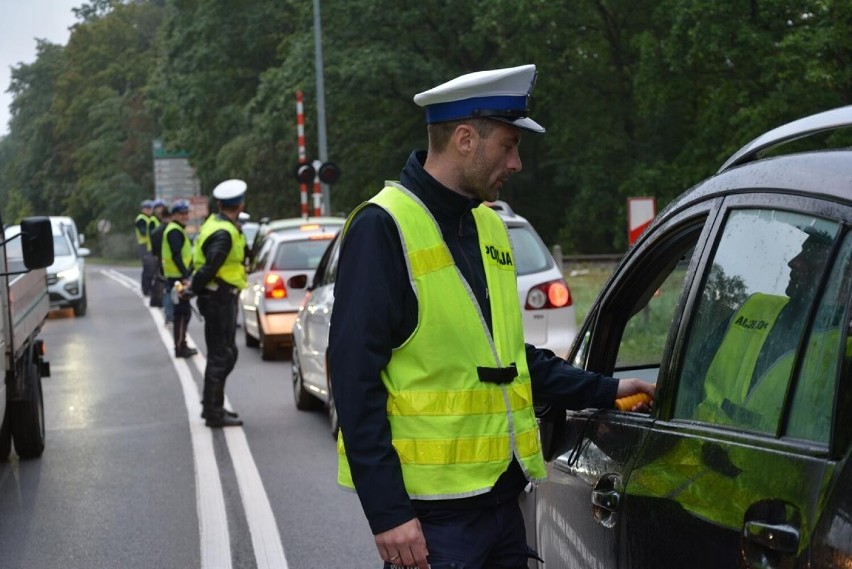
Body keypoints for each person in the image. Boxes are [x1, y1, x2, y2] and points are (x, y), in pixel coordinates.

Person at [328, 64, 655, 569]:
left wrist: (604, 389)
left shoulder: (488, 227)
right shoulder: (383, 226)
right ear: (464, 139)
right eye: (508, 145)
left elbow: (505, 360)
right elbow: (353, 380)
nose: (517, 162)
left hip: (503, 502)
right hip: (433, 520)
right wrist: (388, 513)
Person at [188, 179, 249, 428]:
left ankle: (213, 405)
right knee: (221, 355)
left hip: (220, 297)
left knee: (226, 353)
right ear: (240, 204)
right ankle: (212, 412)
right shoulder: (223, 233)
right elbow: (211, 266)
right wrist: (192, 288)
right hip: (218, 299)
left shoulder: (218, 225)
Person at [163, 199, 197, 358]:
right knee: (182, 313)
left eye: (186, 213)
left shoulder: (177, 229)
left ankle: (182, 344)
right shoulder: (174, 231)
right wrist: (184, 276)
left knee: (184, 312)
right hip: (177, 278)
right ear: (174, 215)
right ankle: (180, 347)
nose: (185, 216)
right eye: (181, 214)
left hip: (177, 277)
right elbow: (177, 255)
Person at [148, 202, 171, 310]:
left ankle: (157, 300)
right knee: (169, 287)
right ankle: (169, 313)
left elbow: (154, 249)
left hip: (159, 258)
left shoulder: (156, 232)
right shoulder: (173, 230)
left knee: (159, 280)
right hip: (171, 262)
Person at [135, 199, 155, 296]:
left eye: (150, 208)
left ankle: (148, 288)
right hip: (144, 246)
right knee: (148, 268)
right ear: (143, 209)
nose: (149, 210)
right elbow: (143, 232)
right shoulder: (141, 219)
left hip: (149, 246)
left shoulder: (149, 219)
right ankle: (146, 289)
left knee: (150, 268)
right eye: (147, 208)